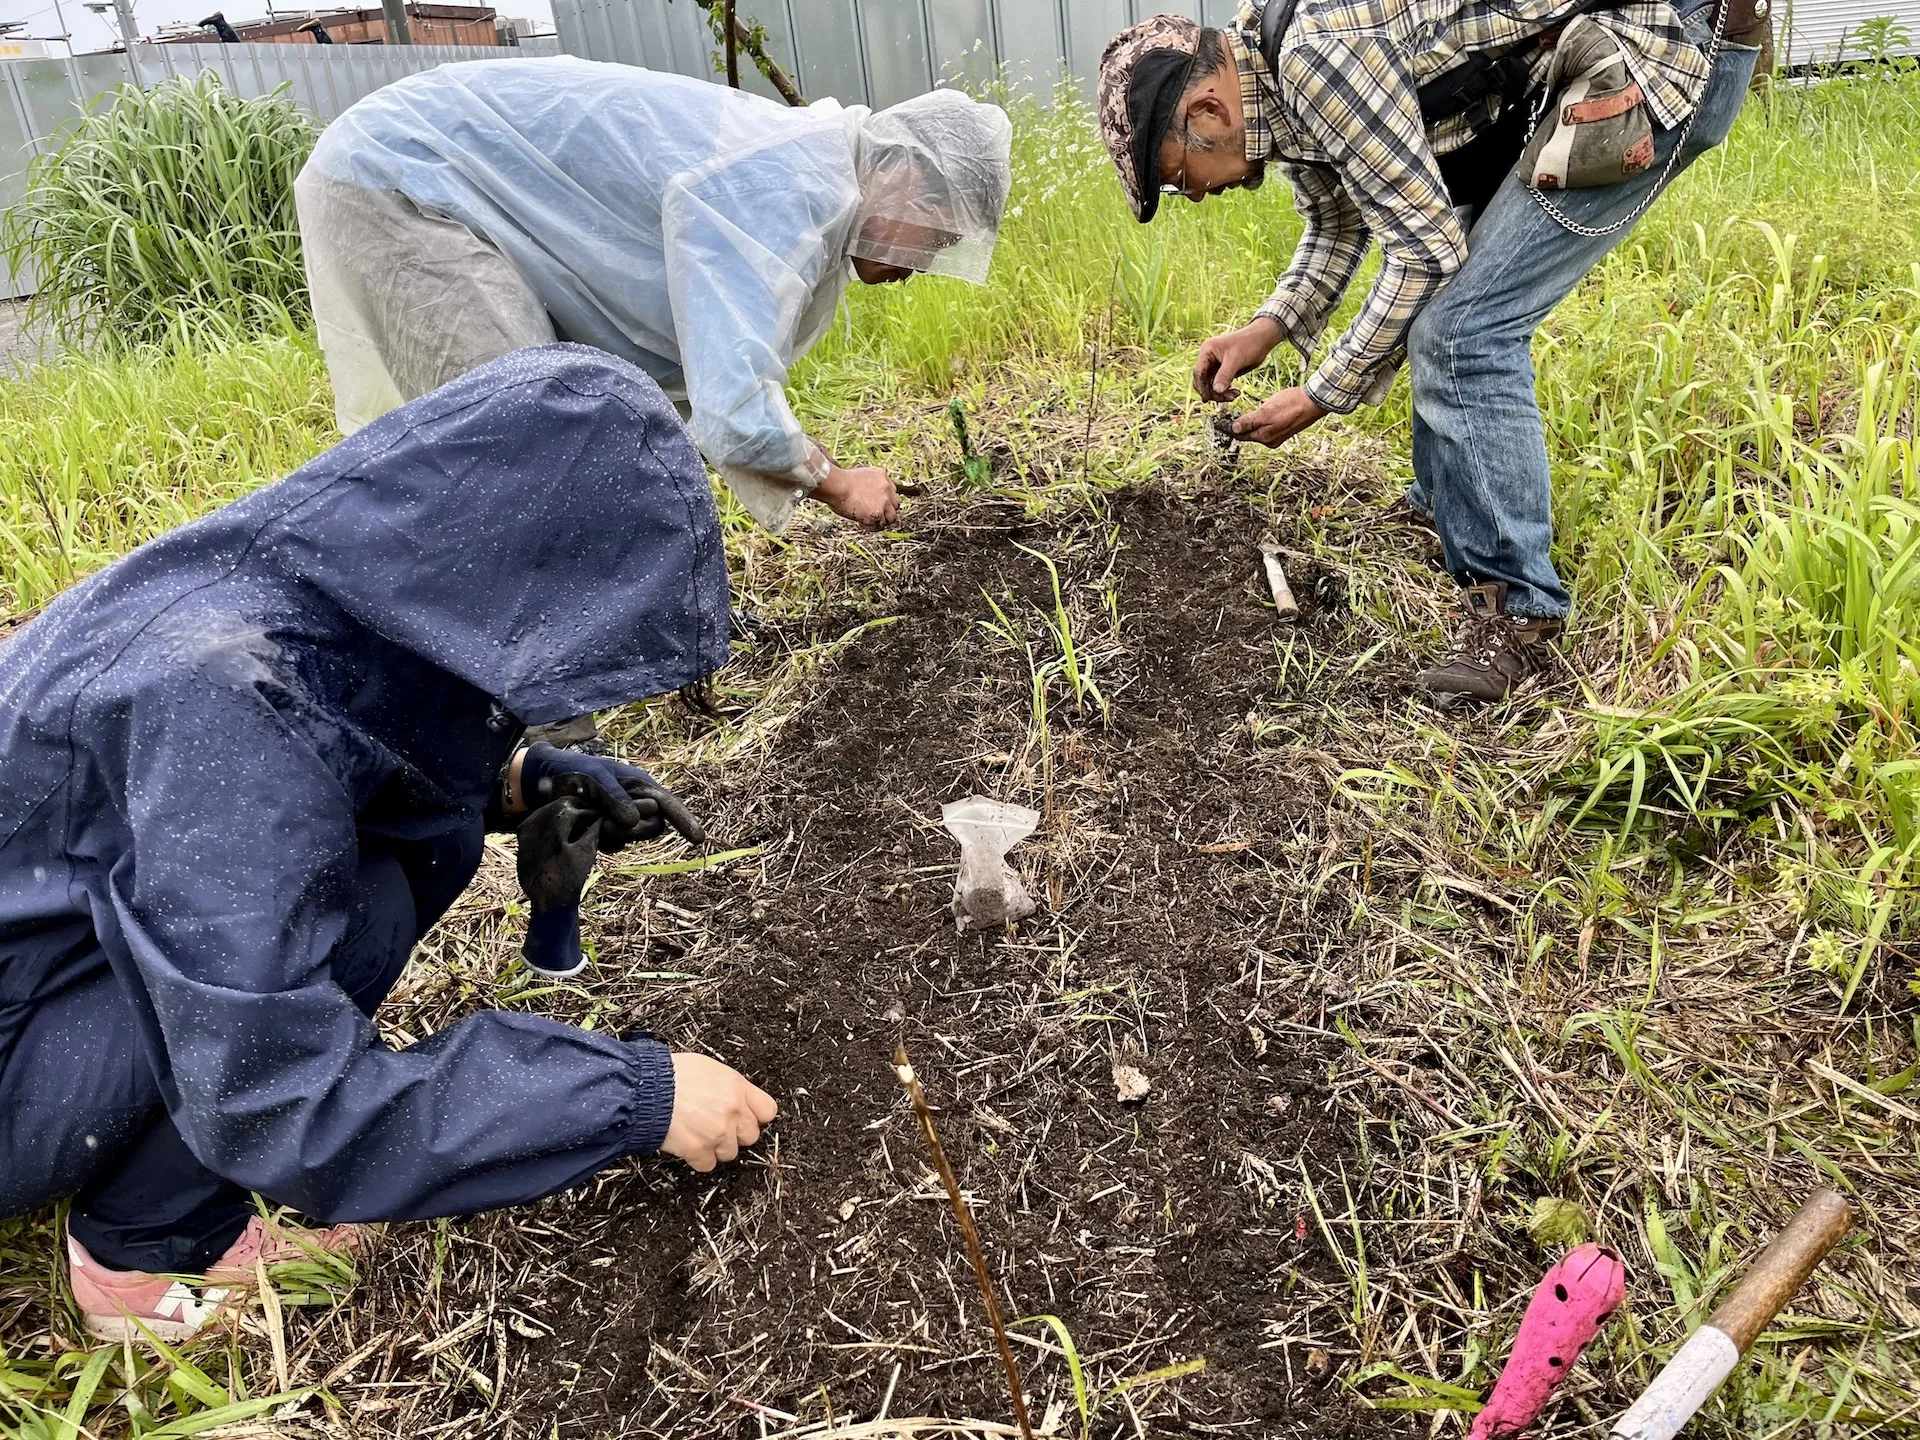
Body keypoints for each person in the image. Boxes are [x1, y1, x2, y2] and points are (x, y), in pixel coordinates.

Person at [0, 347, 777, 1343]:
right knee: (361, 903)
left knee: (410, 849)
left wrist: (522, 778)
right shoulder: (222, 694)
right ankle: (145, 1264)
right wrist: (631, 1097)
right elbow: (278, 1094)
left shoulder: (295, 575)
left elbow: (344, 729)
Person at [1096, 0, 1763, 703]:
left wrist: (1321, 394)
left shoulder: (1315, 59)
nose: (1191, 197)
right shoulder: (1267, 74)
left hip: (1664, 45)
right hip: (1589, 52)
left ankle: (1519, 616)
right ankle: (1450, 503)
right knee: (1442, 308)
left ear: (1205, 112)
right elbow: (1338, 219)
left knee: (1461, 331)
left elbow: (1424, 252)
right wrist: (1267, 328)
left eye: (1174, 178)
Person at [295, 60, 1013, 534]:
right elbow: (733, 416)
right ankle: (546, 745)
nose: (921, 266)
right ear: (910, 178)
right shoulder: (792, 188)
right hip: (408, 180)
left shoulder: (813, 175)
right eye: (937, 238)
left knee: (565, 440)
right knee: (524, 457)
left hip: (429, 175)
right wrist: (839, 483)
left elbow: (677, 388)